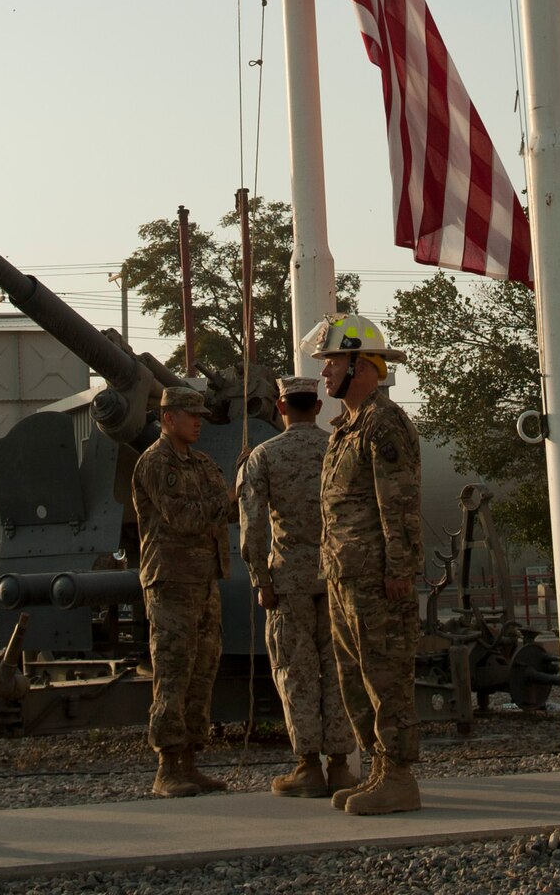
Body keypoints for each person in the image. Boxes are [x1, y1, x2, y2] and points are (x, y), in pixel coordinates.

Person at [309, 314, 423, 818]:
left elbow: (397, 505)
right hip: (345, 574)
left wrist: (399, 569)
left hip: (378, 579)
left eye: (332, 361)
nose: (325, 373)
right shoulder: (345, 428)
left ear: (359, 364)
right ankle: (378, 767)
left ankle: (399, 776)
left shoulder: (383, 422)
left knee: (386, 675)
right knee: (355, 677)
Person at [238, 373, 354, 800]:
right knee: (340, 670)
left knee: (296, 672)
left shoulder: (264, 456)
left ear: (281, 407)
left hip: (288, 582)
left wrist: (261, 580)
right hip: (338, 579)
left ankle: (307, 766)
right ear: (319, 406)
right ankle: (341, 766)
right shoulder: (337, 448)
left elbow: (251, 528)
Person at [131, 384, 239, 797]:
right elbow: (185, 518)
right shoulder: (156, 463)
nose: (198, 423)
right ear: (167, 418)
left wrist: (236, 489)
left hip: (203, 579)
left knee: (201, 671)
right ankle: (167, 767)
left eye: (201, 417)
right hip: (171, 580)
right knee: (173, 672)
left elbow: (226, 509)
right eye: (191, 416)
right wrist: (226, 497)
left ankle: (190, 761)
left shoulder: (202, 463)